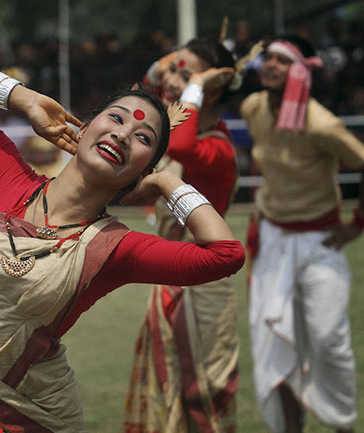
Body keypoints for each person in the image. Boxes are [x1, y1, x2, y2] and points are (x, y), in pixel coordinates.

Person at [0, 54, 246, 432]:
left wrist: (167, 183)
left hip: (32, 415)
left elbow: (225, 255)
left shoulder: (115, 247)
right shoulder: (5, 175)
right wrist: (26, 99)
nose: (123, 134)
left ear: (144, 169)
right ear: (86, 127)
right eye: (116, 118)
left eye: (143, 139)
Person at [242, 36, 364, 433]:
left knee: (329, 340)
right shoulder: (253, 107)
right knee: (273, 341)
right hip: (272, 236)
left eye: (282, 59)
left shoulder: (320, 122)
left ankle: (343, 424)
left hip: (320, 240)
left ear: (299, 69)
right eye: (268, 59)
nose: (271, 65)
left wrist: (356, 225)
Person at [123, 38, 241, 433]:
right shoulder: (180, 120)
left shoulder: (217, 148)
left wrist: (199, 83)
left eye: (186, 76)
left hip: (204, 284)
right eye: (173, 69)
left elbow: (185, 144)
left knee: (203, 391)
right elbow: (146, 83)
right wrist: (180, 70)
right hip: (170, 276)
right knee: (166, 385)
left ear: (213, 88)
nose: (171, 81)